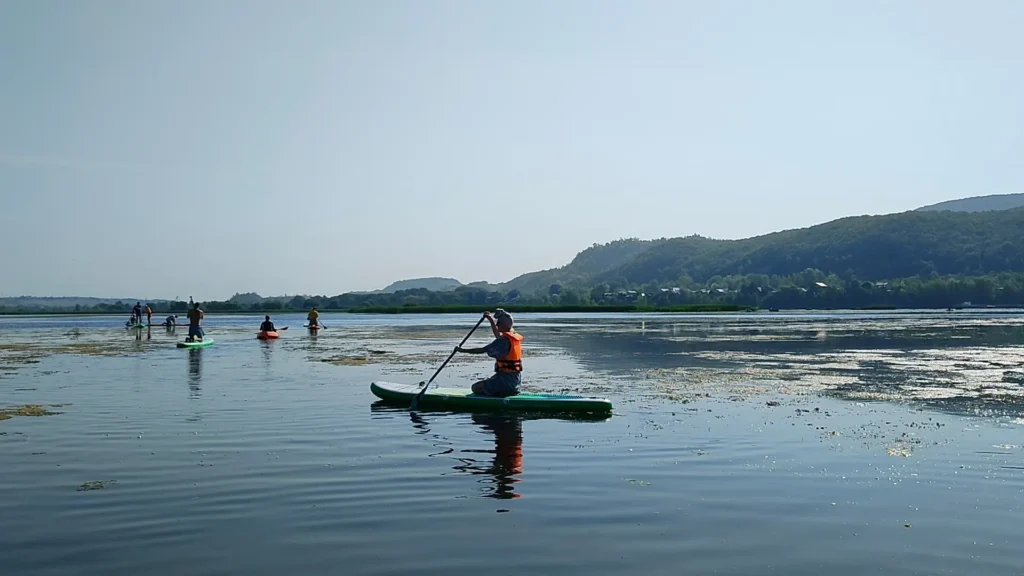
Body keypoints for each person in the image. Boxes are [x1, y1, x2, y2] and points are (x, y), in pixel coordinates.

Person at [455, 309, 523, 398]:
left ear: (503, 324)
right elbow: (497, 335)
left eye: (498, 322)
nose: (497, 324)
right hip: (514, 381)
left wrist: (462, 350)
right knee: (490, 381)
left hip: (506, 382)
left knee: (475, 388)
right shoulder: (512, 335)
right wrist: (490, 319)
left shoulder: (503, 341)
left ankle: (499, 395)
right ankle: (503, 391)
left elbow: (483, 350)